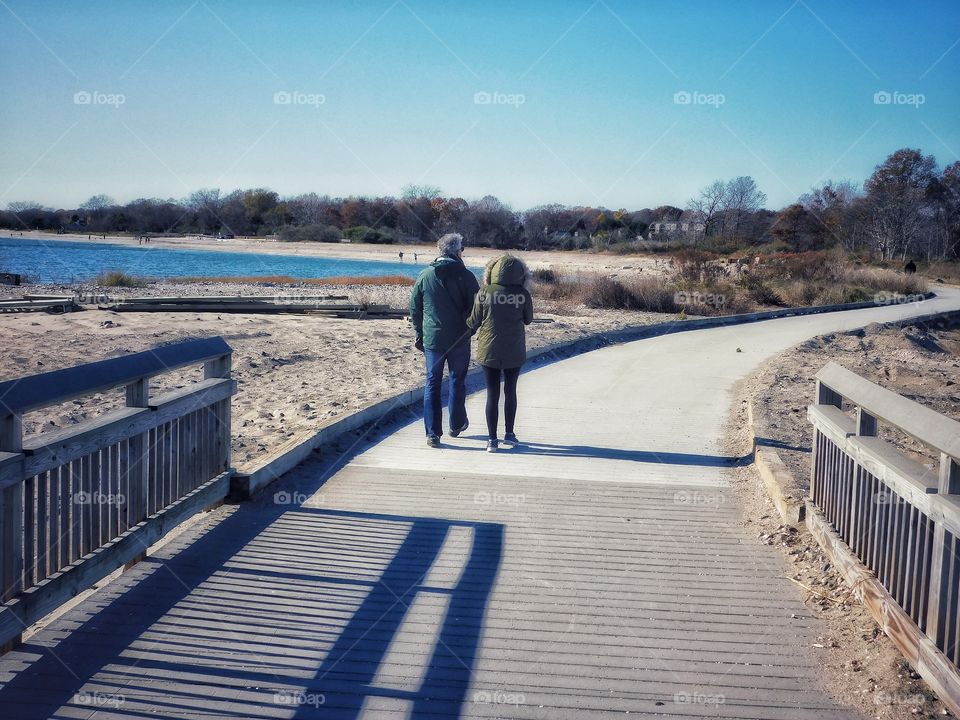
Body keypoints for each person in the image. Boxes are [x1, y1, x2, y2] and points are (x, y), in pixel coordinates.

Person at [409, 233, 480, 448]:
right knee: (457, 380)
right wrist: (470, 329)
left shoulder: (425, 275)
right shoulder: (466, 276)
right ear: (457, 251)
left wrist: (420, 332)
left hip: (434, 339)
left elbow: (415, 307)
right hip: (459, 339)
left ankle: (433, 433)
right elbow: (477, 308)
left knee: (432, 383)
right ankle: (456, 424)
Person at [467, 254, 533, 453]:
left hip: (489, 350)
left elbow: (474, 321)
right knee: (510, 391)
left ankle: (492, 440)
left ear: (492, 271)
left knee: (492, 394)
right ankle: (510, 434)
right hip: (514, 350)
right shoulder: (522, 294)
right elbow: (528, 319)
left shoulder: (484, 292)